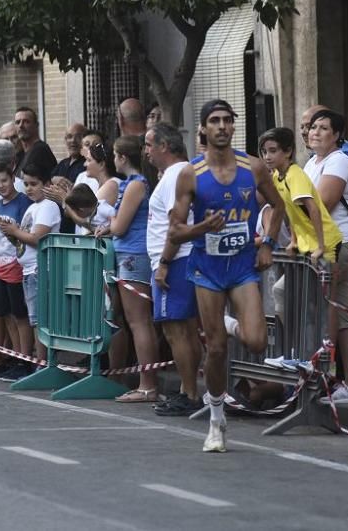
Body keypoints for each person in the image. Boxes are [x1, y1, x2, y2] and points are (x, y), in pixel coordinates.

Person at [170, 99, 285, 452]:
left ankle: (224, 322)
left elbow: (278, 206)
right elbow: (175, 229)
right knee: (217, 348)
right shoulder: (191, 173)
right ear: (203, 129)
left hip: (242, 266)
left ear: (234, 126)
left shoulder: (253, 168)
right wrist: (202, 226)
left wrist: (266, 244)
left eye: (227, 120)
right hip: (207, 267)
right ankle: (217, 420)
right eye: (214, 121)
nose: (221, 126)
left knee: (256, 341)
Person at [258, 127, 342, 366]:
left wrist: (321, 246)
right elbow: (288, 211)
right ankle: (298, 352)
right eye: (265, 151)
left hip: (324, 245)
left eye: (273, 151)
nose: (267, 156)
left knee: (316, 306)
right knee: (283, 292)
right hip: (305, 246)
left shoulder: (295, 174)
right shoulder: (277, 177)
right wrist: (294, 240)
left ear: (288, 152)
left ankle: (312, 359)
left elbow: (312, 208)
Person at [304, 109, 348, 405]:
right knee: (342, 316)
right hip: (322, 246)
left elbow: (320, 203)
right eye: (313, 127)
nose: (315, 132)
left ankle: (323, 375)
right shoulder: (311, 163)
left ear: (337, 135)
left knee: (327, 311)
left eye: (324, 128)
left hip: (339, 246)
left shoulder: (338, 160)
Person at [95, 136, 160, 402]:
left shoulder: (136, 185)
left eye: (114, 154)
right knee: (130, 321)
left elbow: (122, 226)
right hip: (127, 253)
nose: (112, 159)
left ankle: (148, 385)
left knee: (139, 322)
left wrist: (108, 215)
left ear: (122, 157)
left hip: (134, 255)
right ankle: (141, 381)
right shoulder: (130, 185)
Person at [145, 123, 203, 416]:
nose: (146, 152)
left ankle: (191, 392)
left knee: (176, 331)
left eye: (148, 144)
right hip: (180, 259)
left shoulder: (174, 175)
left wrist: (164, 263)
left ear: (163, 146)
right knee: (184, 329)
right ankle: (187, 390)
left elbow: (175, 224)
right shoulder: (179, 173)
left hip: (176, 260)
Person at [0, 163, 61, 376]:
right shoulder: (33, 207)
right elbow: (23, 240)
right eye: (25, 184)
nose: (29, 188)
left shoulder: (48, 206)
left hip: (40, 269)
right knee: (35, 319)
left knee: (40, 320)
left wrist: (15, 230)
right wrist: (11, 234)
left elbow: (37, 238)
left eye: (34, 184)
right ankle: (39, 362)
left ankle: (43, 363)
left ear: (46, 184)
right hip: (28, 269)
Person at [0, 165, 33, 381]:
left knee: (20, 315)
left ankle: (26, 360)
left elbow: (24, 233)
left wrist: (4, 225)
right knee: (6, 315)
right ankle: (16, 356)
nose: (1, 186)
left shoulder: (23, 203)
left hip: (17, 263)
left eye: (4, 181)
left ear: (13, 178)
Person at [13, 107, 57, 178]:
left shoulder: (40, 150)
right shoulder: (21, 154)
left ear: (36, 125)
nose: (21, 125)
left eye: (26, 122)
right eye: (18, 122)